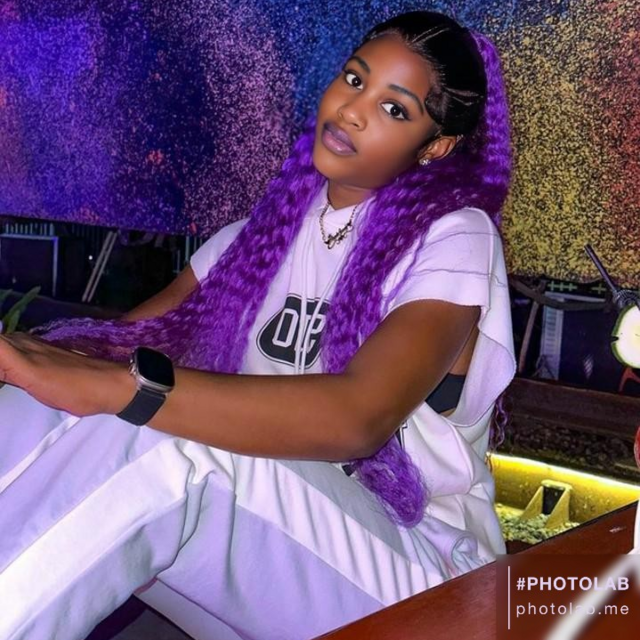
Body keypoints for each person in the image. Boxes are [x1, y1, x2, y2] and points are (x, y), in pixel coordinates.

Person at [0, 10, 516, 640]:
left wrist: (124, 388)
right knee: (51, 402)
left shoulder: (454, 236)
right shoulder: (251, 242)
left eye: (394, 108)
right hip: (285, 565)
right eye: (355, 79)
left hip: (426, 584)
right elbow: (102, 361)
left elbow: (359, 419)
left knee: (170, 440)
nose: (354, 110)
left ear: (436, 146)